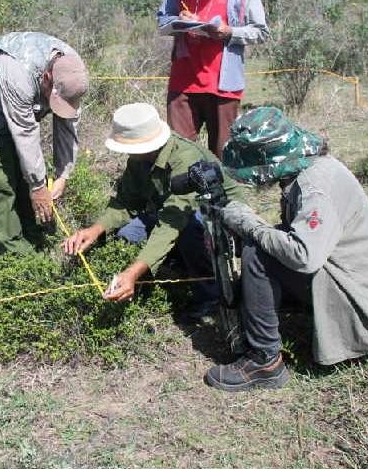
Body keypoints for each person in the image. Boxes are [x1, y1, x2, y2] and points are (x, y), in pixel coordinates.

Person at [204, 107, 368, 392]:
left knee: (258, 255)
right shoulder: (314, 168)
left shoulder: (313, 188)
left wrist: (249, 224)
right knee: (268, 242)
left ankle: (264, 362)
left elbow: (303, 256)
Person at [62, 102, 248, 312]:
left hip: (218, 220)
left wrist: (132, 272)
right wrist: (94, 230)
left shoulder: (185, 159)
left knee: (189, 229)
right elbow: (126, 203)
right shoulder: (139, 160)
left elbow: (172, 222)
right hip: (170, 216)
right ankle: (175, 267)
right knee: (127, 234)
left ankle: (210, 294)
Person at [0, 32, 89, 255]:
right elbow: (25, 132)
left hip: (20, 103)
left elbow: (67, 126)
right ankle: (16, 256)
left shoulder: (72, 69)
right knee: (1, 181)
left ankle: (33, 234)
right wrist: (38, 187)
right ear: (47, 77)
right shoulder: (18, 70)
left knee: (24, 173)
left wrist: (62, 175)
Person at [157, 0, 269, 157]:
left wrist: (229, 32)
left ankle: (220, 189)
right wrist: (180, 20)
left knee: (222, 154)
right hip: (183, 81)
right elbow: (163, 18)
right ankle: (185, 188)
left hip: (223, 85)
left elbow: (261, 31)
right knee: (178, 152)